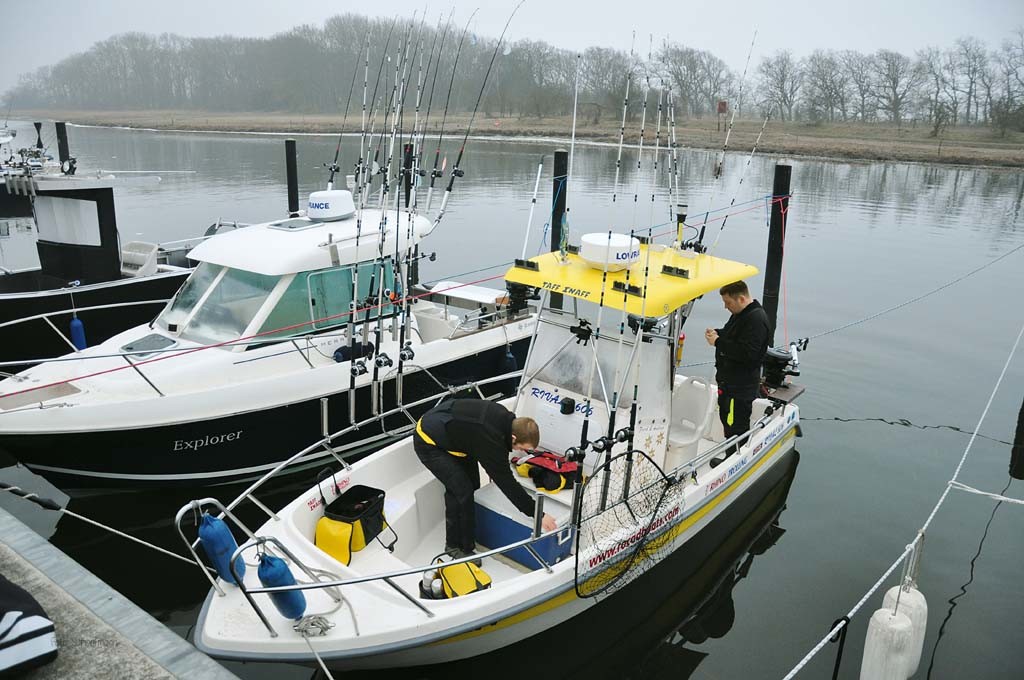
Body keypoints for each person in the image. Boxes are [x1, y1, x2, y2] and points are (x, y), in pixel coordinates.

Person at [414, 397, 558, 564]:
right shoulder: (490, 440)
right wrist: (538, 514)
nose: (520, 452)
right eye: (522, 448)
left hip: (456, 436)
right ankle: (456, 546)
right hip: (429, 443)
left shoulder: (505, 418)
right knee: (462, 490)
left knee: (474, 484)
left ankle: (468, 529)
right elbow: (507, 483)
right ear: (513, 438)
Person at [704, 280, 771, 465]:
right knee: (727, 420)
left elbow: (748, 354)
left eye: (728, 303)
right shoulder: (740, 314)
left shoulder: (756, 320)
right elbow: (730, 334)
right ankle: (730, 456)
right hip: (729, 383)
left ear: (741, 298)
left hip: (740, 387)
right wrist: (716, 333)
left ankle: (733, 462)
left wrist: (718, 342)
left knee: (736, 425)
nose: (726, 307)